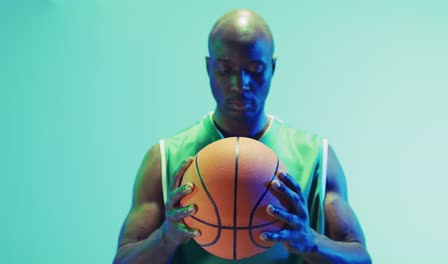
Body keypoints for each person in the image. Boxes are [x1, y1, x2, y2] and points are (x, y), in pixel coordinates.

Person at [113, 9, 371, 264]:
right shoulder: (164, 159)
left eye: (255, 69)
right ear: (208, 67)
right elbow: (122, 260)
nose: (240, 83)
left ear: (272, 67)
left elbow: (361, 259)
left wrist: (310, 242)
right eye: (226, 69)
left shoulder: (316, 156)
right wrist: (166, 238)